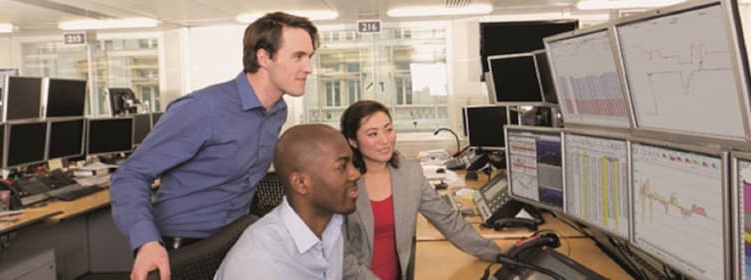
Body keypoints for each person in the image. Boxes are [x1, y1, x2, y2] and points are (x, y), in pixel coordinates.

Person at [109, 11, 318, 280]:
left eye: (309, 57)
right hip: (183, 248)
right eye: (298, 56)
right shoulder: (202, 109)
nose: (309, 67)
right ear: (264, 57)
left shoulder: (277, 110)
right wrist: (146, 242)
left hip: (234, 238)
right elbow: (130, 175)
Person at [340, 100, 501, 280]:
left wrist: (500, 255)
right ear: (352, 141)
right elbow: (341, 258)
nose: (385, 140)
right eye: (373, 134)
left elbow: (447, 220)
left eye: (388, 129)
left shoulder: (411, 174)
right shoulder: (341, 184)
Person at [215, 124, 361, 280]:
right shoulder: (257, 264)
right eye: (342, 167)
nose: (356, 174)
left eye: (352, 163)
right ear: (300, 183)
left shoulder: (332, 227)